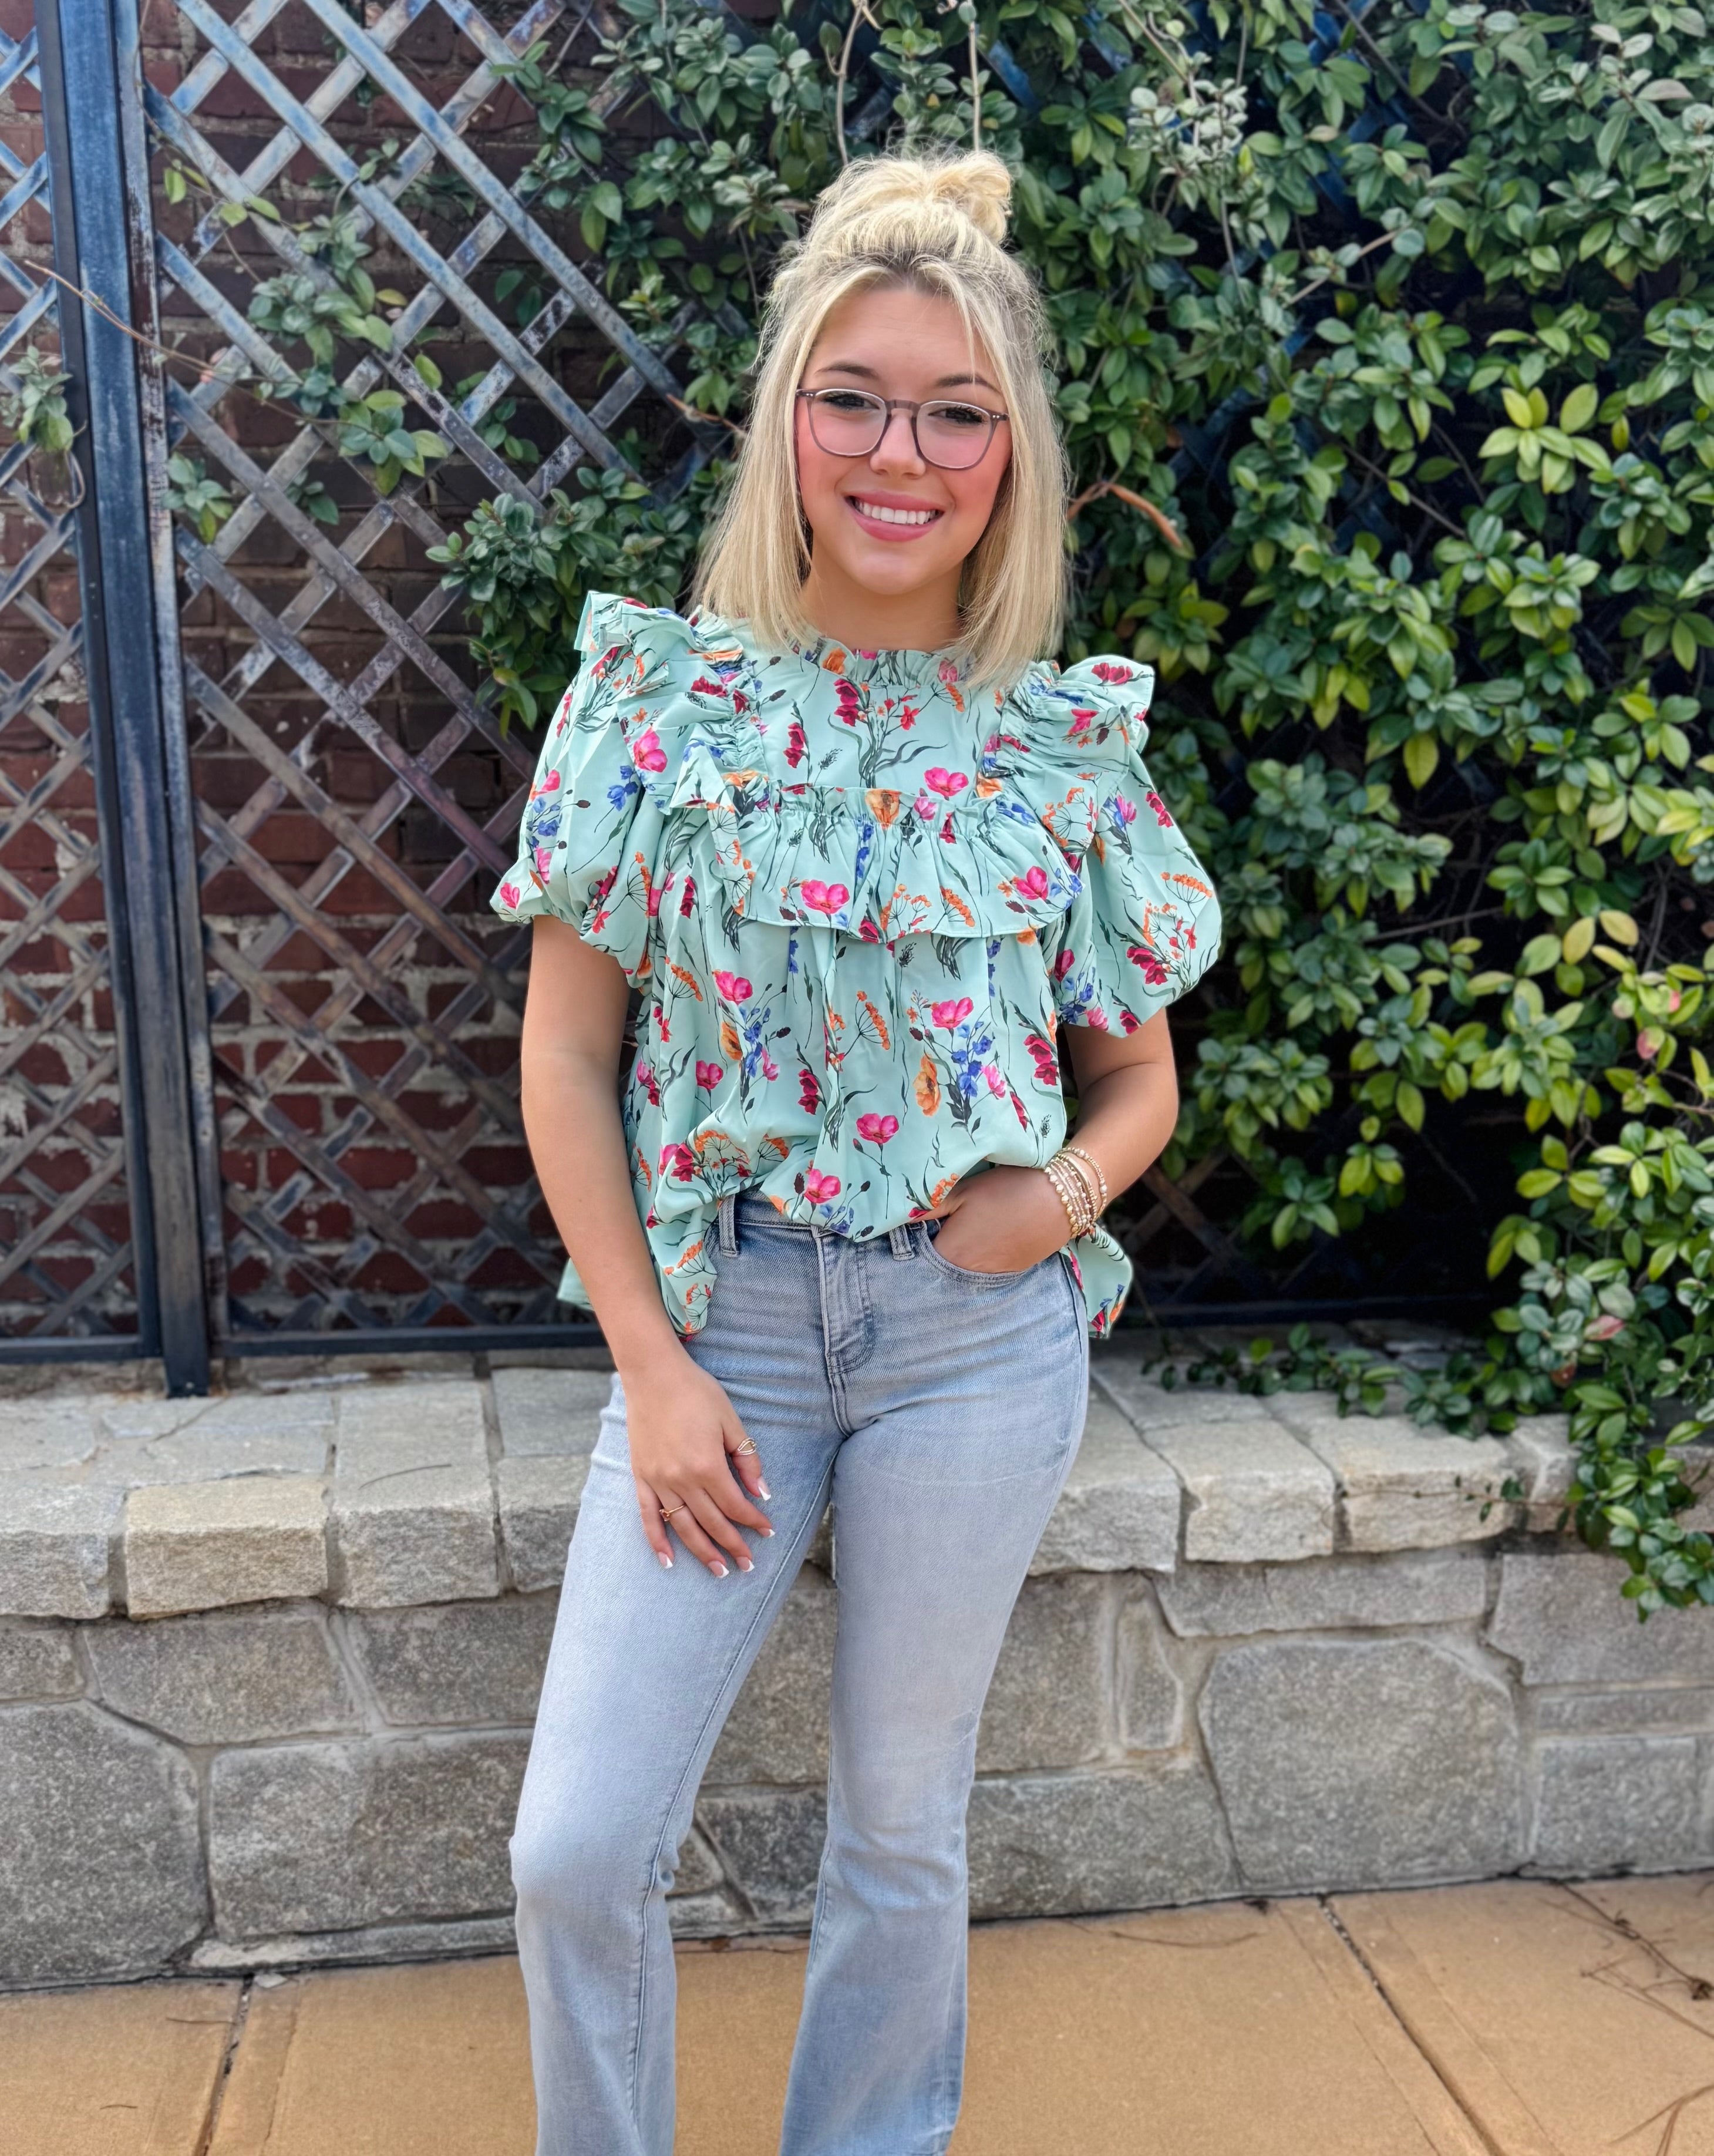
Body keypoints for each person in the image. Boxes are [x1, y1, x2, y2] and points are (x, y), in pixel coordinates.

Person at [496, 146, 1220, 2156]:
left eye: (957, 413)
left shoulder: (1058, 743)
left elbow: (1141, 1080)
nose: (903, 455)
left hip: (973, 1348)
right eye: (856, 399)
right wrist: (650, 1362)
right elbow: (568, 1054)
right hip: (719, 1327)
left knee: (900, 1829)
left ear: (1011, 453)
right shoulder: (657, 704)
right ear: (789, 423)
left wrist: (1049, 1207)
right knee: (578, 1845)